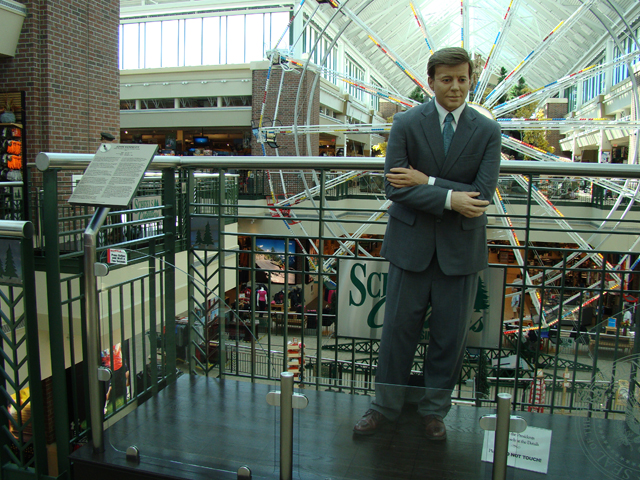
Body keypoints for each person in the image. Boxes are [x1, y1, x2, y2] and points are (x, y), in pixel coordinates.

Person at [353, 47, 501, 440]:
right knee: (397, 333)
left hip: (459, 252)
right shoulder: (406, 123)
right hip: (411, 247)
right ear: (431, 81)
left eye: (462, 79)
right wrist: (452, 198)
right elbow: (394, 186)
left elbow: (481, 195)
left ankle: (434, 412)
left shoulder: (488, 131)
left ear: (471, 80)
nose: (455, 87)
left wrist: (428, 182)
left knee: (449, 339)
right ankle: (384, 406)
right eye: (447, 79)